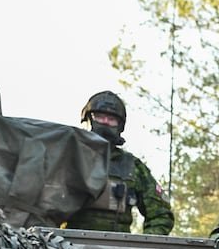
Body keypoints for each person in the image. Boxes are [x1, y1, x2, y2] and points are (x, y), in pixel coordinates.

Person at [65, 91, 174, 235]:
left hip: (117, 246)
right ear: (88, 120)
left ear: (120, 125)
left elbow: (161, 215)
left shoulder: (133, 167)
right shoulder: (68, 158)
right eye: (99, 117)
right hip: (69, 245)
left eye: (111, 119)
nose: (105, 122)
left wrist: (142, 246)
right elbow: (42, 205)